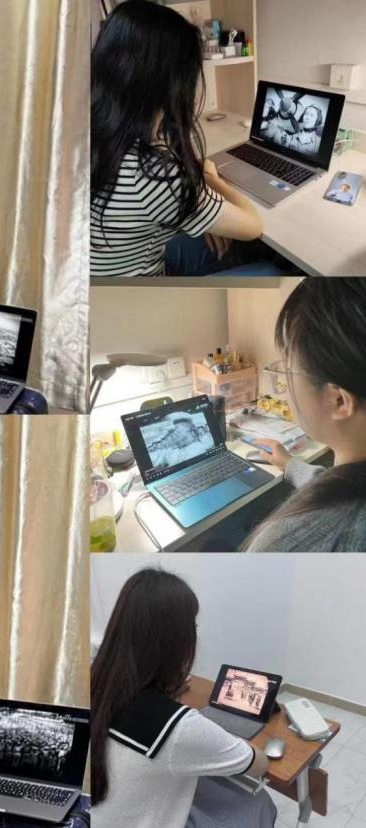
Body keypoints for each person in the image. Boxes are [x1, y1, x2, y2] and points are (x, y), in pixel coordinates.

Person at [91, 1, 289, 278]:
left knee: (220, 241)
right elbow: (253, 226)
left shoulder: (90, 135)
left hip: (117, 268)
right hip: (144, 286)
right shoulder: (155, 175)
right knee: (270, 271)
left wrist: (198, 210)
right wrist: (211, 180)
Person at [91, 569, 276, 828]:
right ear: (178, 641)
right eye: (193, 626)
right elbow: (259, 764)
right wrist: (222, 736)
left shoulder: (95, 683)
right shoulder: (177, 727)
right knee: (260, 803)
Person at [242, 278, 366, 552]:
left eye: (290, 370)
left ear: (338, 400)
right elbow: (345, 486)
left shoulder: (284, 543)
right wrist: (290, 464)